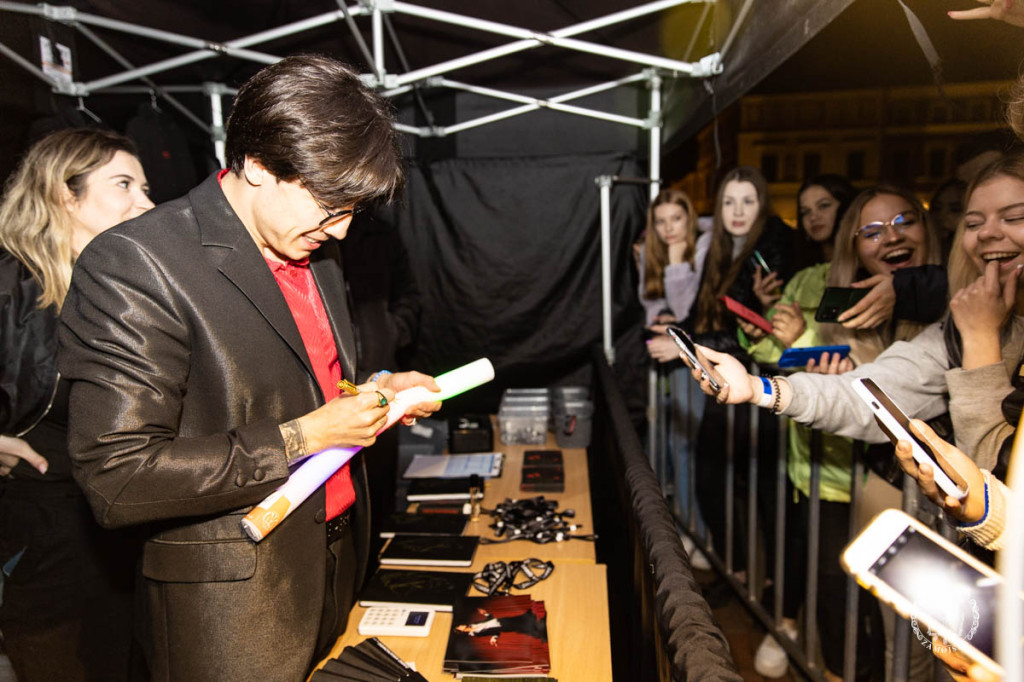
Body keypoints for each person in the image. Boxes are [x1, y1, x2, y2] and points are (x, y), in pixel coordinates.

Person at [57, 56, 442, 682]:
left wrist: (374, 392)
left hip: (337, 558)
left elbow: (296, 386)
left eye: (352, 211)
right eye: (329, 205)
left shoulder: (311, 246)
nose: (341, 230)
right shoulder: (135, 262)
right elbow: (115, 475)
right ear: (258, 166)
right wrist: (304, 437)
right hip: (233, 603)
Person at [688, 151, 1024, 491]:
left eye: (1014, 217)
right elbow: (870, 394)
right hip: (872, 479)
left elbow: (997, 484)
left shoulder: (959, 313)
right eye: (974, 223)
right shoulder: (953, 325)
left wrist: (980, 336)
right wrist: (756, 387)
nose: (988, 234)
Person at [743, 186, 942, 680]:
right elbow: (843, 381)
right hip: (873, 483)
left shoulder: (960, 306)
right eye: (872, 232)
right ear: (856, 246)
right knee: (891, 623)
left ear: (928, 227)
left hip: (953, 504)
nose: (889, 237)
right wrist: (773, 366)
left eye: (903, 221)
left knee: (939, 634)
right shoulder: (850, 304)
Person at [0, 127, 154, 681]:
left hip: (123, 543)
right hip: (46, 552)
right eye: (124, 184)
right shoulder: (10, 286)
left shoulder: (119, 290)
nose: (145, 201)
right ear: (66, 194)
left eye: (144, 186)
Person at [689, 166, 794, 579]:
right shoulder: (717, 250)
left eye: (747, 201)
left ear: (762, 204)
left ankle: (765, 583)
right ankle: (739, 570)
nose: (737, 210)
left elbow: (763, 325)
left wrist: (699, 341)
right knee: (717, 482)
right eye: (729, 201)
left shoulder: (775, 246)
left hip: (763, 384)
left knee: (762, 490)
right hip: (726, 381)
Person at [635, 188, 711, 568]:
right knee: (664, 447)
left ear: (690, 218)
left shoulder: (701, 249)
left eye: (676, 219)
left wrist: (679, 259)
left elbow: (683, 310)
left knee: (684, 450)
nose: (669, 229)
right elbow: (652, 309)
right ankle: (677, 530)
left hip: (696, 362)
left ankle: (697, 535)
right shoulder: (653, 252)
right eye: (661, 221)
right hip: (668, 361)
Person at [790, 173, 856, 272]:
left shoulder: (863, 264)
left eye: (823, 206)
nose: (813, 217)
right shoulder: (801, 275)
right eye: (806, 212)